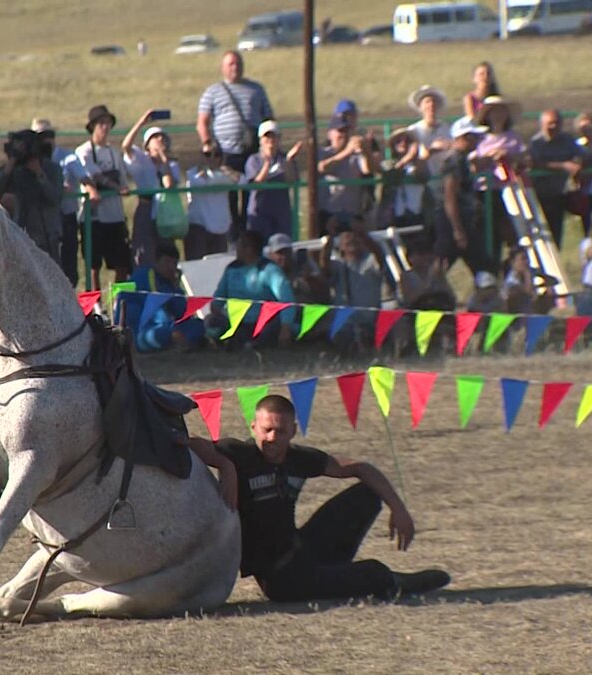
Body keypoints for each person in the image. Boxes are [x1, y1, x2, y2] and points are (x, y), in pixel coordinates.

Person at [188, 395, 450, 602]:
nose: (272, 438)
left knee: (367, 493)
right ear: (254, 427)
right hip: (280, 578)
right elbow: (193, 443)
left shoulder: (299, 458)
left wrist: (399, 509)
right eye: (266, 430)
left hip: (302, 549)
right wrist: (225, 465)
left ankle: (334, 573)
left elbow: (361, 468)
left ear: (293, 431)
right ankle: (392, 583)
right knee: (373, 572)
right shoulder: (240, 453)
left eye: (280, 431)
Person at [197, 50, 275, 240]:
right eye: (231, 64)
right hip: (226, 153)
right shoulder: (213, 92)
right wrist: (208, 144)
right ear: (223, 68)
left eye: (238, 63)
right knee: (228, 197)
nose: (235, 67)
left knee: (253, 194)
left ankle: (251, 234)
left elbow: (268, 118)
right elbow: (202, 122)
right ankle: (232, 237)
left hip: (252, 152)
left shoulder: (256, 89)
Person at [206, 230, 296, 346]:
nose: (236, 250)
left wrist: (285, 328)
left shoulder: (269, 270)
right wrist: (216, 309)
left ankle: (252, 342)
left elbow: (286, 298)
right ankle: (224, 341)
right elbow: (219, 297)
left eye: (239, 246)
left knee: (271, 328)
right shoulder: (231, 269)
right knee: (211, 322)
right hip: (236, 321)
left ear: (250, 249)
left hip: (262, 322)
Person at [34, 118, 95, 287]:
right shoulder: (31, 161)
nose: (46, 140)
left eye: (49, 135)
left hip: (66, 216)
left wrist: (90, 188)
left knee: (69, 263)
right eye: (41, 136)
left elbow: (83, 175)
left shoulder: (67, 157)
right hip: (42, 220)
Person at [76, 105, 132, 287]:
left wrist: (119, 187)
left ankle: (119, 300)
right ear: (92, 126)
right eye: (101, 123)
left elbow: (123, 182)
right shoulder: (83, 151)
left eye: (108, 123)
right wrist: (114, 186)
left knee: (121, 263)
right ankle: (96, 304)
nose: (105, 127)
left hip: (114, 216)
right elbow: (94, 175)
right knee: (94, 265)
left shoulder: (114, 153)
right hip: (93, 218)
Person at [470, 96, 528, 267]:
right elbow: (473, 163)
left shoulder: (514, 137)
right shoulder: (480, 139)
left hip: (511, 190)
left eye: (501, 111)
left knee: (514, 232)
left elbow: (524, 158)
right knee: (490, 234)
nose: (498, 115)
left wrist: (508, 156)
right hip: (486, 192)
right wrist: (489, 157)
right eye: (494, 111)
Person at [117, 242, 203, 352]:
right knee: (160, 334)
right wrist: (172, 329)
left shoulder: (169, 281)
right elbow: (156, 310)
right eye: (167, 262)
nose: (171, 267)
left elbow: (182, 313)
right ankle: (176, 341)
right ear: (156, 262)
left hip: (164, 325)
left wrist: (176, 287)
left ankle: (177, 341)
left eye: (174, 263)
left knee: (198, 325)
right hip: (138, 327)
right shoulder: (147, 275)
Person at [0, 130, 63, 261]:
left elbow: (54, 199)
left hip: (48, 234)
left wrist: (39, 173)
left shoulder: (52, 169)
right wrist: (13, 160)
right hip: (22, 234)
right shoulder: (15, 170)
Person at [122, 111, 182, 267]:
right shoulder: (141, 161)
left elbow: (169, 185)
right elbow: (126, 146)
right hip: (146, 208)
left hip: (165, 211)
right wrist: (141, 122)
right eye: (155, 137)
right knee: (144, 251)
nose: (160, 140)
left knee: (165, 250)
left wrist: (164, 159)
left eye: (162, 137)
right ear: (147, 144)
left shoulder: (172, 165)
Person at [438, 117, 491, 275]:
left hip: (464, 221)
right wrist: (457, 229)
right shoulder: (454, 161)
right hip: (455, 223)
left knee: (482, 267)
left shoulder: (462, 160)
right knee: (441, 267)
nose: (477, 142)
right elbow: (450, 196)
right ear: (465, 137)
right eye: (474, 137)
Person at [320, 228, 384, 348]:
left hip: (369, 321)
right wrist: (331, 236)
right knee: (339, 337)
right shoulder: (337, 265)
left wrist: (364, 235)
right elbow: (324, 265)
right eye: (347, 239)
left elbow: (379, 256)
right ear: (340, 246)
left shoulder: (371, 261)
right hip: (344, 323)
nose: (351, 240)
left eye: (355, 238)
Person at [528, 109, 582, 249]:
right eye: (550, 123)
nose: (553, 127)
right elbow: (535, 163)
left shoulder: (567, 140)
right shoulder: (536, 142)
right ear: (542, 124)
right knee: (540, 236)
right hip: (540, 194)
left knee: (556, 236)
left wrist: (578, 162)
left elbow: (580, 155)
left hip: (559, 193)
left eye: (557, 123)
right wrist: (563, 166)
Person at [245, 120, 301, 244]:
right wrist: (266, 163)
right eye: (267, 136)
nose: (270, 140)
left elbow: (292, 181)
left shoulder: (284, 159)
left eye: (274, 136)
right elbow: (256, 185)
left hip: (281, 214)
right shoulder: (253, 160)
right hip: (260, 215)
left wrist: (289, 161)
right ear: (260, 139)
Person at [184, 145, 239, 261]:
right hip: (199, 227)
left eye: (217, 154)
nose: (213, 158)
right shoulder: (192, 173)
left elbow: (241, 181)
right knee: (197, 266)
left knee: (219, 269)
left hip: (221, 229)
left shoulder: (225, 173)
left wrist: (227, 171)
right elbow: (199, 182)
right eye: (207, 154)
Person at [318, 116, 371, 232]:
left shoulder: (356, 156)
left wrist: (366, 151)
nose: (344, 135)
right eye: (340, 131)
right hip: (328, 214)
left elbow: (368, 170)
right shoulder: (323, 153)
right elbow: (322, 168)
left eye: (347, 131)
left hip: (352, 214)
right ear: (330, 134)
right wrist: (346, 152)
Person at [377, 128, 431, 231]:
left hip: (417, 215)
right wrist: (406, 159)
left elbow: (423, 175)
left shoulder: (419, 164)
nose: (403, 143)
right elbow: (393, 174)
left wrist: (416, 156)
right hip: (393, 218)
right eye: (398, 141)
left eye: (407, 141)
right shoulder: (388, 163)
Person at [264, 232, 330, 307]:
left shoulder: (303, 264)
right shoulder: (266, 272)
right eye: (279, 253)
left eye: (286, 252)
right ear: (271, 254)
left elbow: (323, 289)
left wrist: (309, 279)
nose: (284, 257)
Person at [407, 85, 453, 180]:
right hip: (424, 180)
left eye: (434, 101)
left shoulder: (447, 128)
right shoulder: (413, 130)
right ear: (420, 107)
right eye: (427, 102)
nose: (431, 105)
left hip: (445, 178)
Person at [399, 243, 456, 311]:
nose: (423, 257)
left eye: (424, 254)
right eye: (419, 254)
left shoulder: (437, 272)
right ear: (410, 258)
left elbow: (448, 294)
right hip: (420, 311)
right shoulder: (406, 276)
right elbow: (410, 299)